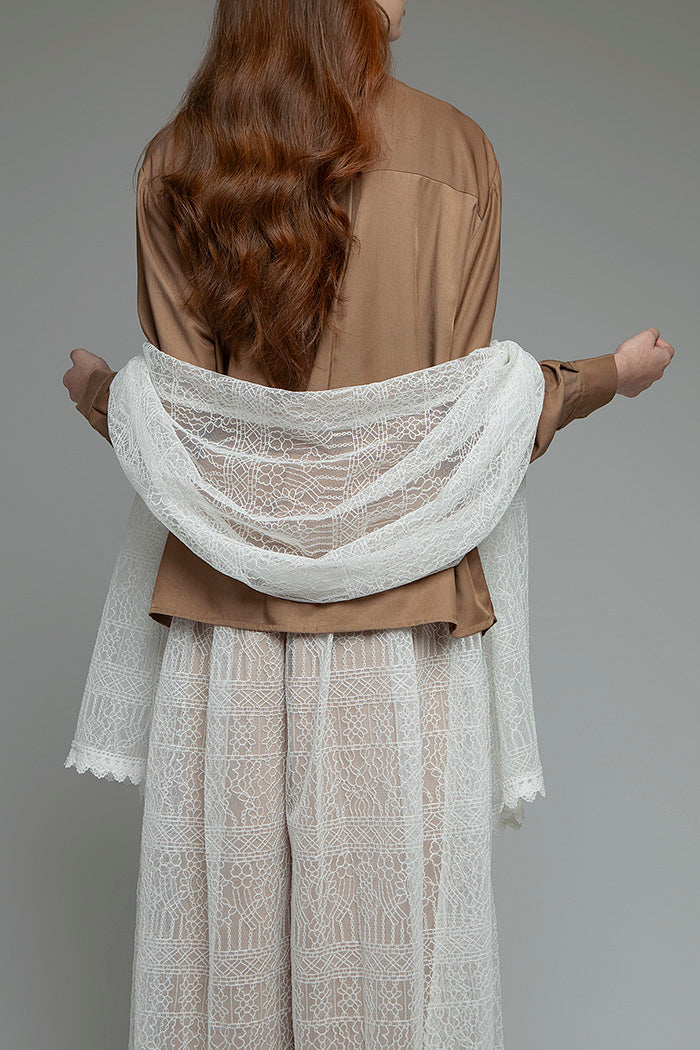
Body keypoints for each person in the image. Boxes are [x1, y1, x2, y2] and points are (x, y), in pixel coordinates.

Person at [61, 2, 675, 1048]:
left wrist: (100, 396)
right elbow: (459, 429)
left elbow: (191, 435)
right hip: (406, 641)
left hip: (228, 637)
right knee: (396, 967)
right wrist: (606, 377)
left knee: (227, 962)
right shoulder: (458, 151)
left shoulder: (176, 160)